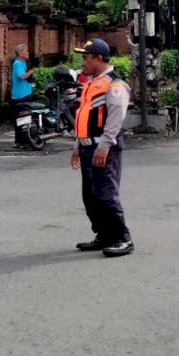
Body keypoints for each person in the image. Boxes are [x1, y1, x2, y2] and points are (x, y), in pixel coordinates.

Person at [69, 39, 133, 257]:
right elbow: (84, 116)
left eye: (86, 57)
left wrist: (104, 145)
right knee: (91, 196)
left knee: (106, 194)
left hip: (104, 148)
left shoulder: (114, 85)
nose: (83, 62)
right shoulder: (91, 82)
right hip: (88, 147)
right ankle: (104, 234)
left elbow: (115, 118)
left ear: (98, 58)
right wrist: (78, 144)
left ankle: (122, 238)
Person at [9, 42, 36, 149]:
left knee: (25, 118)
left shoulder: (23, 63)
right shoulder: (18, 63)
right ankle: (20, 140)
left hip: (25, 92)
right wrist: (31, 72)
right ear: (20, 53)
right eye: (26, 51)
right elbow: (22, 76)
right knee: (21, 119)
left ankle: (24, 140)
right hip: (20, 95)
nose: (28, 53)